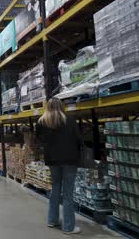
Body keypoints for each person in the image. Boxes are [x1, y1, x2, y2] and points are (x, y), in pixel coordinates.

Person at [36, 98, 83, 234]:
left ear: (47, 107)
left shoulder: (41, 122)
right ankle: (68, 227)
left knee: (55, 188)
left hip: (52, 160)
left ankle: (52, 220)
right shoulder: (69, 119)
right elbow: (78, 139)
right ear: (61, 107)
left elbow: (39, 140)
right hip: (69, 159)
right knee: (68, 193)